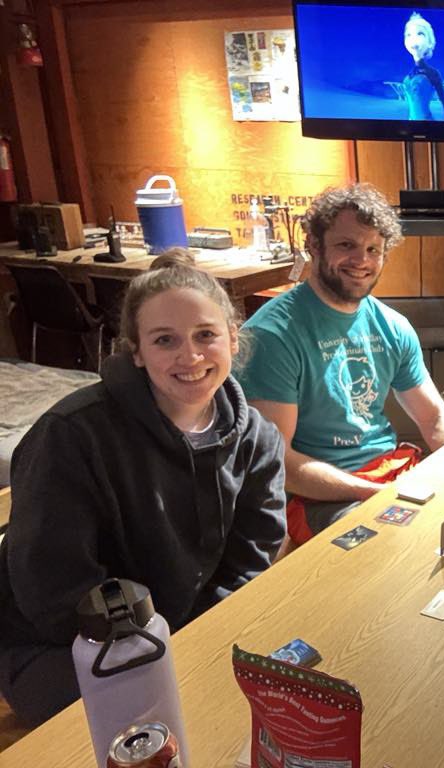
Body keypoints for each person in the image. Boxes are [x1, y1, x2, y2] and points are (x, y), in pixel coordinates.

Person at [0, 249, 286, 726]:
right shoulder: (71, 436)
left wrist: (201, 641)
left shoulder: (257, 438)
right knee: (154, 726)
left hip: (182, 627)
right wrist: (163, 653)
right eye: (164, 340)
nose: (190, 356)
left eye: (206, 336)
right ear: (136, 350)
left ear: (233, 340)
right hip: (63, 644)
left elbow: (249, 561)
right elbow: (54, 592)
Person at [238, 183, 444, 546]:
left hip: (386, 474)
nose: (362, 260)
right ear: (313, 245)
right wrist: (371, 493)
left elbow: (433, 418)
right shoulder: (272, 336)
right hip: (317, 496)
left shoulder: (392, 326)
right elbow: (279, 464)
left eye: (373, 248)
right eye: (346, 245)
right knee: (392, 547)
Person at [402, 11, 444, 121]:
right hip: (410, 127)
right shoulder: (411, 72)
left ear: (430, 42)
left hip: (428, 126)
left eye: (420, 33)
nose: (413, 39)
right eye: (408, 35)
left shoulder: (432, 73)